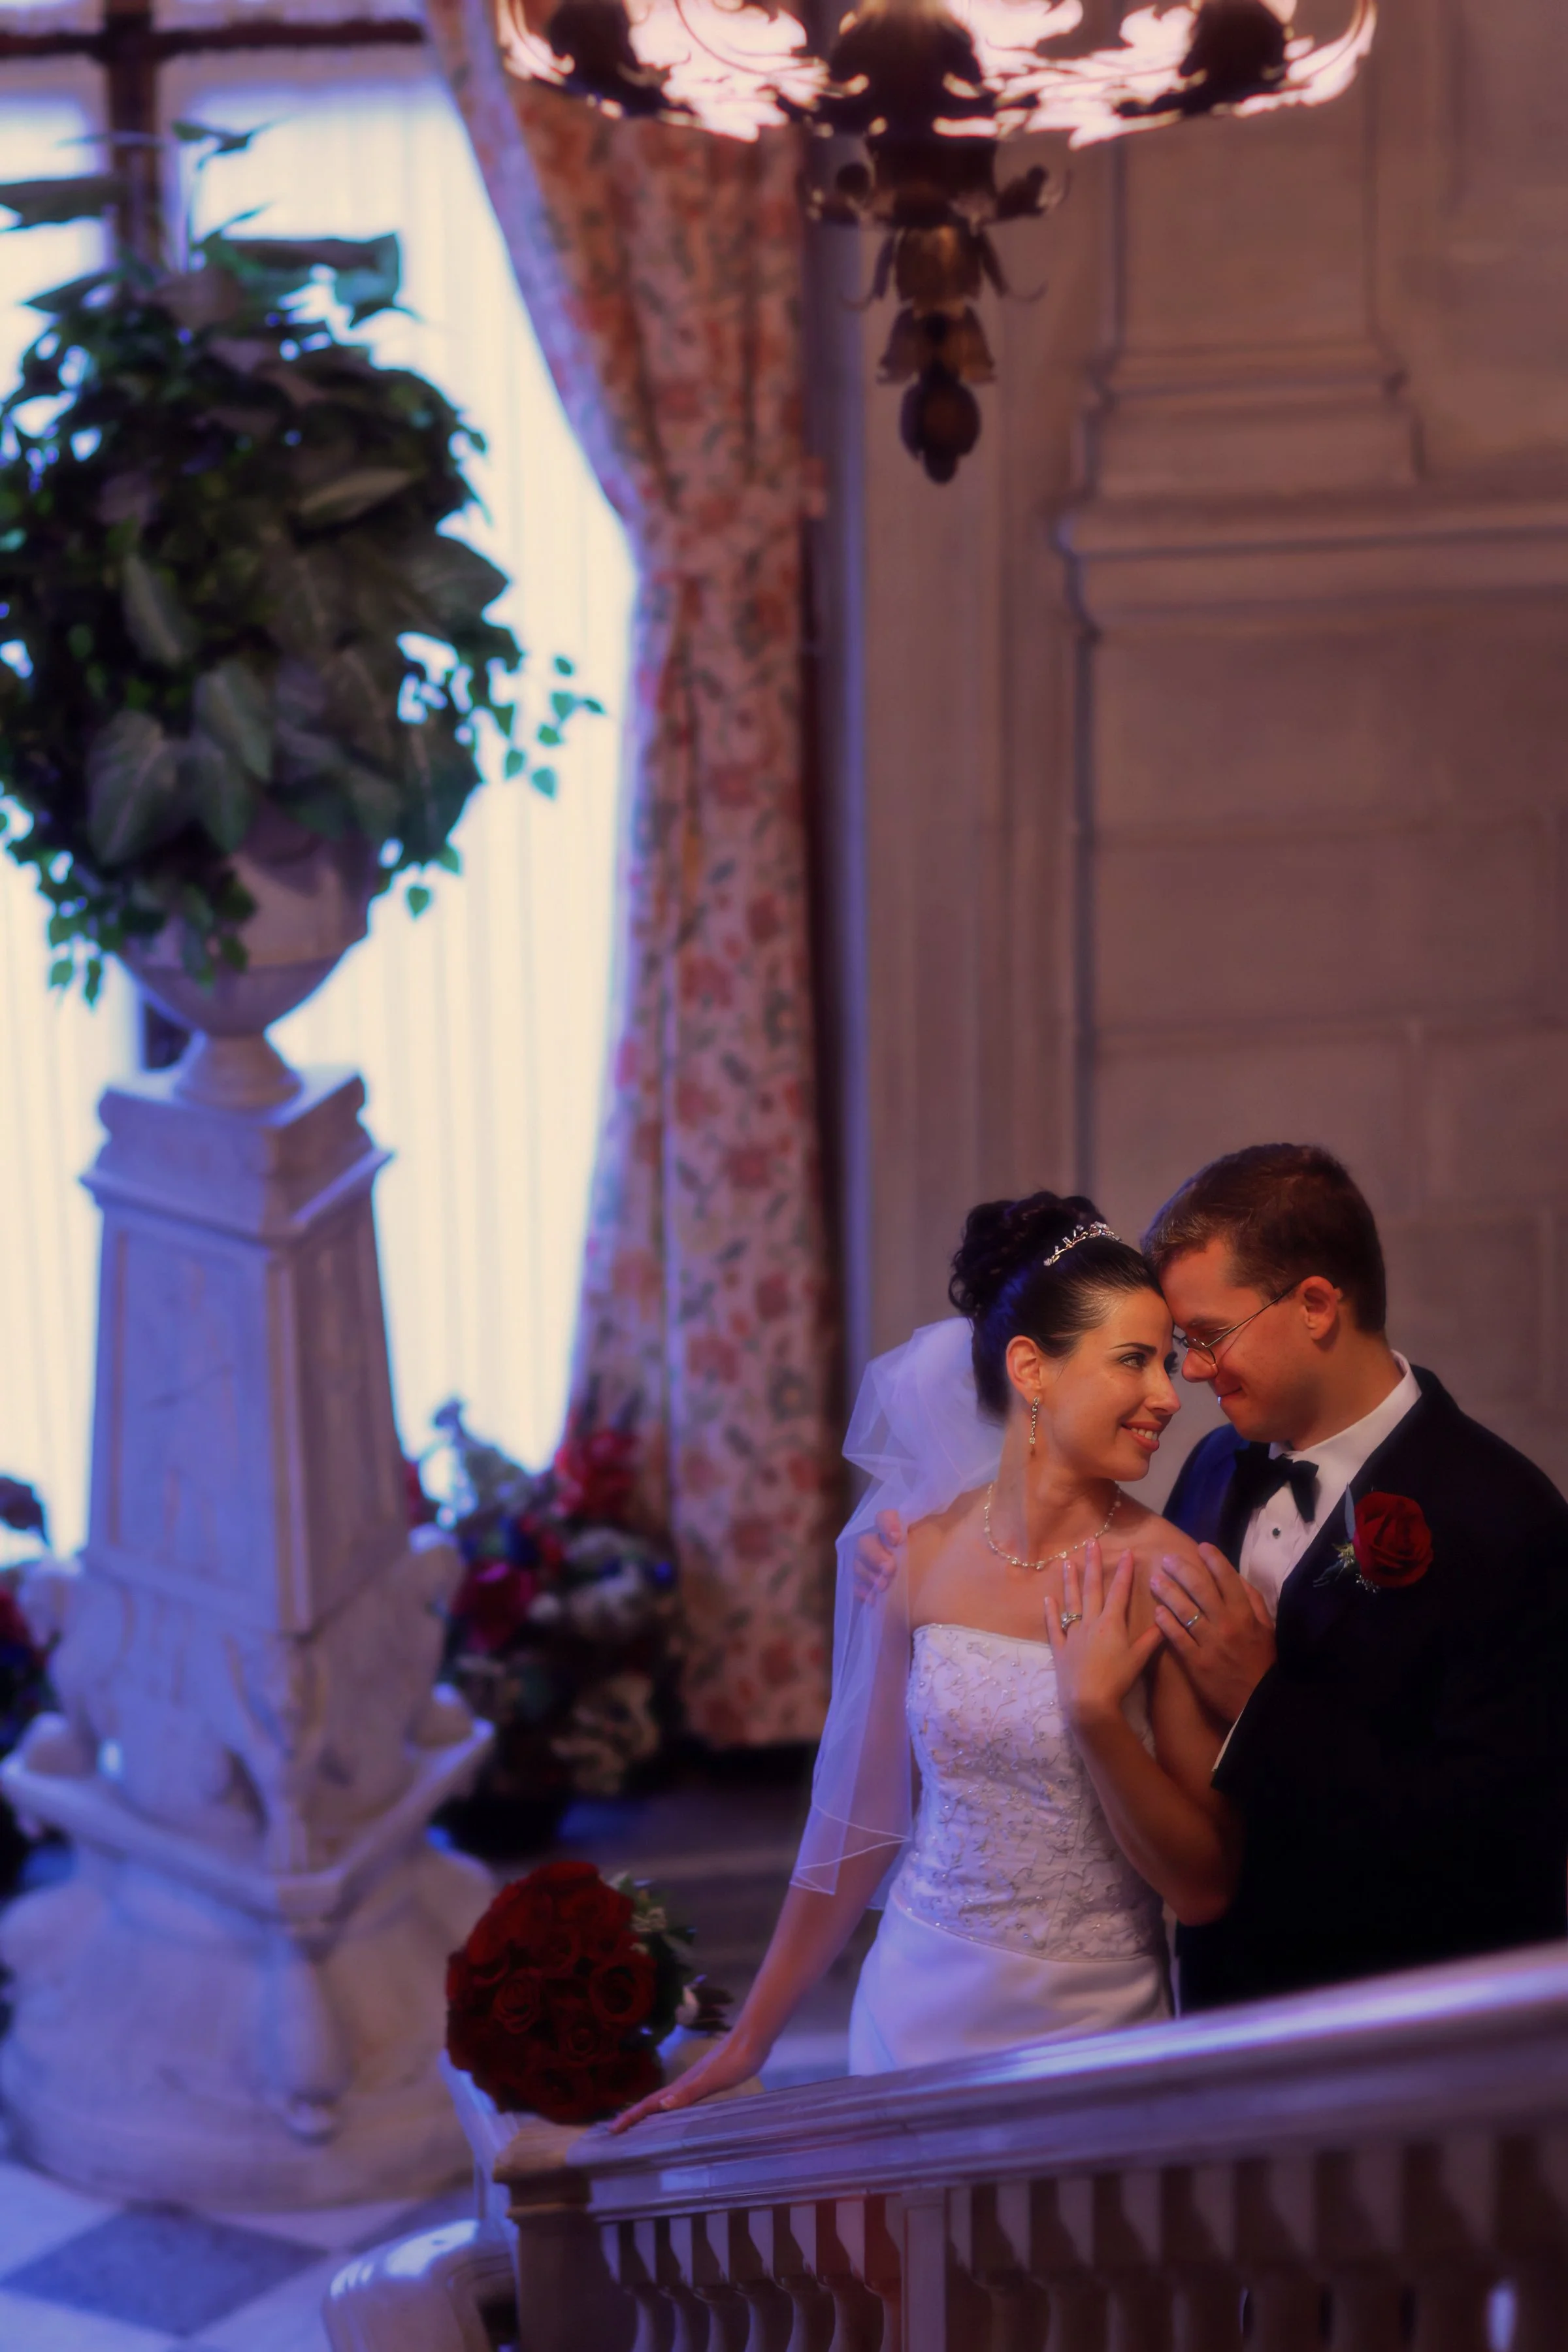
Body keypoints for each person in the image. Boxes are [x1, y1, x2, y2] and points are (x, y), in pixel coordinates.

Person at [613, 1192, 1239, 2131]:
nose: (1168, 1392)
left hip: (1095, 2031)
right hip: (913, 2008)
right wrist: (752, 2040)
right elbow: (854, 1829)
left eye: (1165, 1361)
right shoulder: (917, 1556)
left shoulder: (1169, 1575)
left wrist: (1099, 1717)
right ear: (1033, 1368)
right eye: (1134, 1361)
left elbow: (1204, 1885)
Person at [1141, 1143, 1568, 2010]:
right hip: (1218, 2004)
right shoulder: (1212, 1467)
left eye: (1209, 1337)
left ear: (1315, 1306)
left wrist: (1264, 1702)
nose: (1188, 1371)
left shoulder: (1506, 1516)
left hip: (1398, 2027)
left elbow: (1497, 1844)